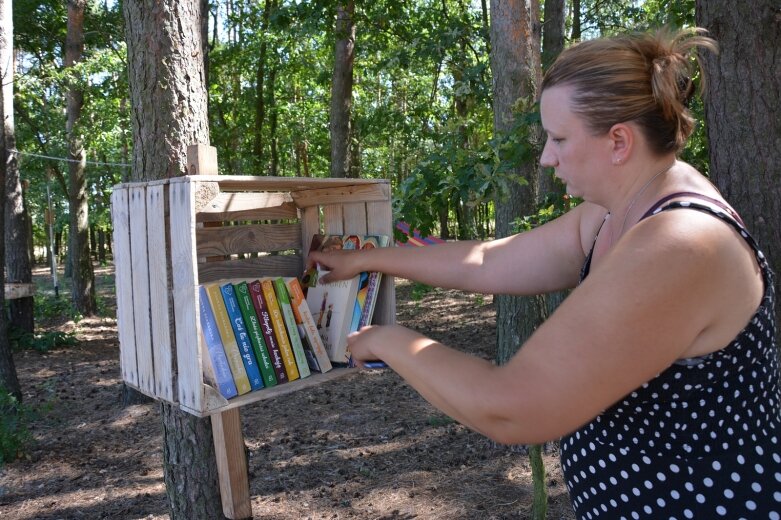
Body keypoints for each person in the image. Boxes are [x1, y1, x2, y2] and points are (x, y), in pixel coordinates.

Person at [308, 27, 779, 519]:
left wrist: (388, 340)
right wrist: (366, 258)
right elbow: (489, 261)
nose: (546, 156)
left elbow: (511, 408)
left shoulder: (680, 243)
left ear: (619, 141)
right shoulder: (618, 208)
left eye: (558, 138)